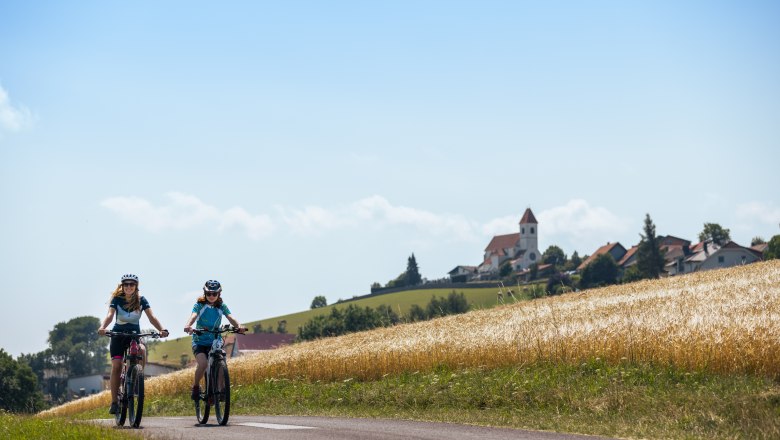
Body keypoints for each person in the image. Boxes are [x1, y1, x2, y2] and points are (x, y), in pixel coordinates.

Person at [97, 274, 169, 415]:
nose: (129, 287)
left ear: (136, 286)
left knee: (141, 350)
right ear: (122, 286)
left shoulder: (142, 300)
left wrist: (161, 329)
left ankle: (136, 379)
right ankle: (114, 402)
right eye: (126, 284)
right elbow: (110, 315)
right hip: (118, 336)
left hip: (134, 335)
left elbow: (151, 317)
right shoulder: (117, 299)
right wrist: (103, 327)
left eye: (132, 284)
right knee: (117, 365)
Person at [184, 280, 246, 400]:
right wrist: (188, 325)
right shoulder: (199, 305)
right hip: (199, 341)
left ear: (219, 294)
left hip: (215, 340)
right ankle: (196, 387)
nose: (211, 296)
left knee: (221, 360)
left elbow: (230, 317)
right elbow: (193, 316)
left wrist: (239, 325)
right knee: (203, 364)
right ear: (205, 293)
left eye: (214, 294)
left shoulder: (221, 306)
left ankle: (220, 389)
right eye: (209, 294)